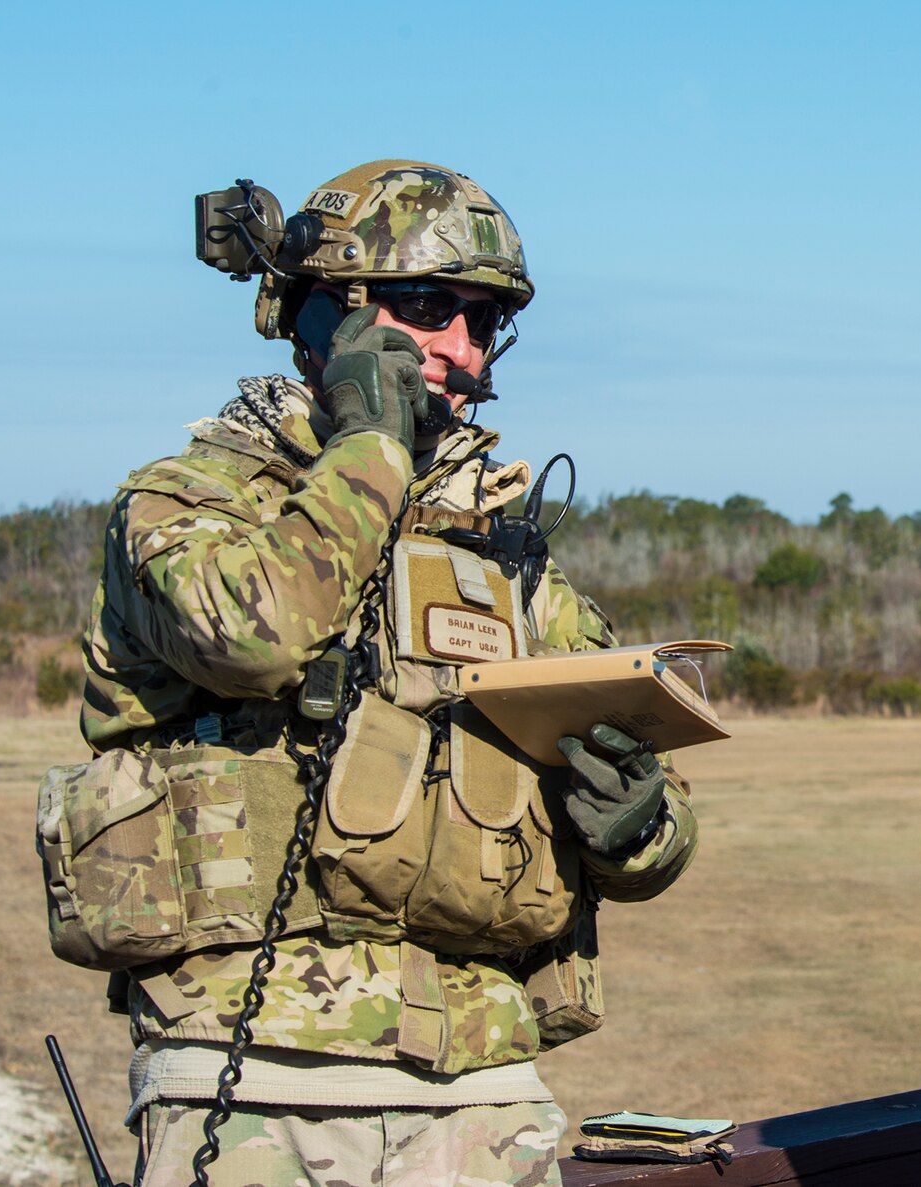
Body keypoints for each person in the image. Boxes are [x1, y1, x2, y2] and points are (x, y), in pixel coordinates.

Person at [46, 160, 698, 1186]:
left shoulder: (509, 559)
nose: (458, 346)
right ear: (324, 318)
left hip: (478, 1082)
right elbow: (247, 635)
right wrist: (371, 449)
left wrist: (639, 823)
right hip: (253, 1072)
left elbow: (657, 824)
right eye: (429, 306)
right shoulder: (187, 501)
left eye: (483, 322)